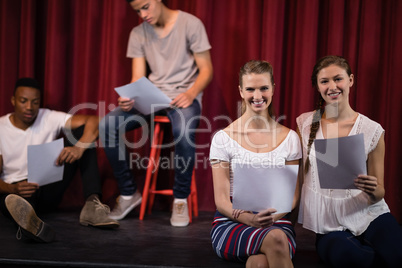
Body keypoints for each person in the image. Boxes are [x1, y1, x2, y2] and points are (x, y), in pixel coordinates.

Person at [99, 0, 213, 227]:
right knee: (106, 125)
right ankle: (129, 193)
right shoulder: (138, 33)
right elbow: (138, 78)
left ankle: (180, 199)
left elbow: (207, 70)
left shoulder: (191, 24)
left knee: (182, 130)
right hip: (152, 98)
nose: (143, 14)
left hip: (184, 98)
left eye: (146, 6)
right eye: (137, 10)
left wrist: (190, 93)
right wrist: (130, 97)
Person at [297, 55, 402, 267]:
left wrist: (373, 188)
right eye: (324, 81)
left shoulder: (372, 130)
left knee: (397, 255)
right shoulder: (305, 124)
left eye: (338, 79)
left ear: (351, 80)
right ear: (317, 86)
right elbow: (298, 179)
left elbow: (380, 192)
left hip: (369, 215)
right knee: (352, 258)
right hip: (330, 227)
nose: (332, 86)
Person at [0, 78, 119, 243]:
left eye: (35, 102)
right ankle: (30, 224)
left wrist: (79, 148)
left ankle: (92, 205)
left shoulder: (47, 117)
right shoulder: (1, 128)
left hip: (47, 188)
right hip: (16, 191)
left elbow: (94, 121)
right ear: (13, 100)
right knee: (13, 202)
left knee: (83, 134)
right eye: (23, 101)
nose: (29, 107)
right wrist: (12, 188)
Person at [209, 60, 301, 267]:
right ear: (241, 91)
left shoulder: (290, 138)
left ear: (273, 89)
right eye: (250, 89)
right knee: (276, 240)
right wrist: (250, 220)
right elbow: (222, 200)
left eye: (263, 88)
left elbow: (293, 197)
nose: (257, 96)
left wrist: (270, 218)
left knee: (259, 263)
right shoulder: (223, 138)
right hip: (232, 221)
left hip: (278, 218)